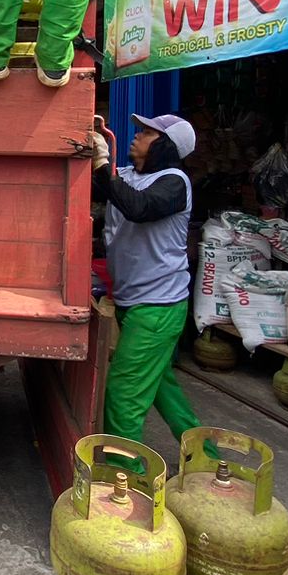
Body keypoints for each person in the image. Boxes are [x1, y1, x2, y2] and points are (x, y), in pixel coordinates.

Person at [90, 113, 206, 451]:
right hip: (135, 301)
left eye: (147, 133)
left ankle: (124, 472)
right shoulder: (127, 176)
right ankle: (205, 457)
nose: (136, 136)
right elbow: (102, 187)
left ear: (166, 146)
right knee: (161, 388)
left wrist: (103, 164)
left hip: (158, 306)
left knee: (124, 393)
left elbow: (138, 207)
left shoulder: (175, 182)